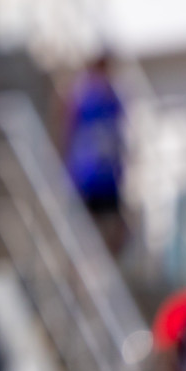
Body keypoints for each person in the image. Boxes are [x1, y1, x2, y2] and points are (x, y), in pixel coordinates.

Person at [62, 53, 126, 250]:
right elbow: (69, 129)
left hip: (108, 176)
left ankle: (107, 261)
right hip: (88, 175)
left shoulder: (114, 98)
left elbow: (119, 133)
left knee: (116, 226)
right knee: (87, 227)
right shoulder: (83, 97)